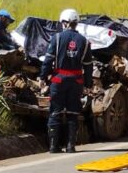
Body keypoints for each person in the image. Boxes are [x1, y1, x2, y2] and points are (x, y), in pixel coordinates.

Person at [40, 8, 93, 153]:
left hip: (58, 80)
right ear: (76, 23)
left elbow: (48, 60)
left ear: (64, 22)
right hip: (76, 82)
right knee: (73, 113)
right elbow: (88, 66)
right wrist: (88, 85)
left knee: (55, 112)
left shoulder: (56, 39)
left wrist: (43, 77)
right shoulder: (85, 42)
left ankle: (53, 146)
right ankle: (70, 146)